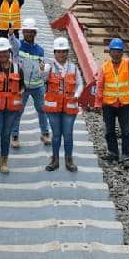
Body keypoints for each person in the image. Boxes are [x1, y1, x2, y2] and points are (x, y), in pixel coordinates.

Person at [94, 39, 129, 168]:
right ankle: (113, 153)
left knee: (127, 131)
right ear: (110, 52)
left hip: (124, 104)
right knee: (109, 131)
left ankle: (127, 156)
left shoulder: (127, 64)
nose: (116, 54)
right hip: (109, 104)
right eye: (114, 51)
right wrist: (98, 103)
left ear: (122, 52)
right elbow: (100, 86)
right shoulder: (104, 67)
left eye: (119, 51)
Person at [9, 18, 51, 148]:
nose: (29, 34)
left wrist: (44, 72)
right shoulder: (18, 46)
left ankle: (45, 133)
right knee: (18, 111)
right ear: (23, 32)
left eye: (31, 32)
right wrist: (10, 34)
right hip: (22, 86)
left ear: (35, 33)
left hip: (37, 86)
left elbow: (42, 68)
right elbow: (13, 43)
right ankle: (14, 136)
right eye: (26, 31)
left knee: (42, 110)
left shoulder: (40, 50)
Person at [0, 37, 23, 175]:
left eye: (5, 51)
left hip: (11, 109)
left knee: (6, 135)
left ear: (9, 52)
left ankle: (4, 161)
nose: (2, 54)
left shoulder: (17, 68)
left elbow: (22, 86)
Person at [44, 37, 83, 172]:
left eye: (64, 51)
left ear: (67, 52)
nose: (62, 54)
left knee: (68, 134)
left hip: (69, 107)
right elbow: (41, 78)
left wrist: (76, 96)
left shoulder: (73, 68)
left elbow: (79, 84)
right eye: (59, 51)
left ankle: (69, 159)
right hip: (53, 107)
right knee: (56, 134)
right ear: (54, 52)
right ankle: (54, 159)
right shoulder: (49, 67)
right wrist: (43, 70)